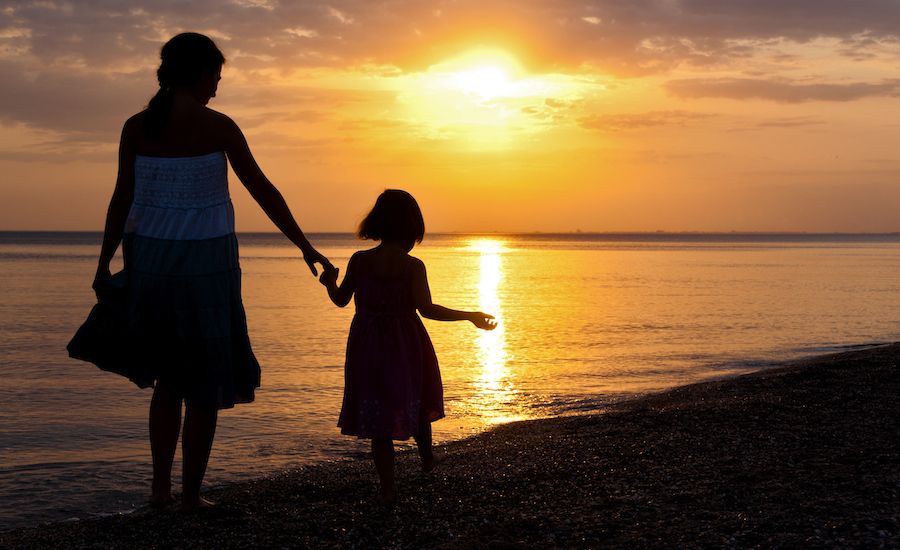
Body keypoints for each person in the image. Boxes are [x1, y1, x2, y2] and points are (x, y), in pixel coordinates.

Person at [89, 32, 330, 510]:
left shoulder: (136, 127)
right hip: (206, 269)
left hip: (151, 266)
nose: (218, 86)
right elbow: (263, 190)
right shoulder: (218, 127)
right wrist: (306, 247)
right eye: (216, 76)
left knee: (167, 382)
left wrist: (103, 263)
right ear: (200, 74)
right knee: (203, 384)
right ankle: (191, 496)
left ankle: (160, 492)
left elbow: (121, 200)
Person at [318, 189, 496, 505]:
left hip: (367, 344)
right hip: (405, 342)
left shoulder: (360, 260)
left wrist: (329, 282)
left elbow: (341, 300)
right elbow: (427, 309)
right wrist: (470, 316)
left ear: (377, 223)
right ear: (412, 227)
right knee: (416, 397)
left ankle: (388, 490)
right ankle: (426, 457)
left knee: (378, 423)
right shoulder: (412, 266)